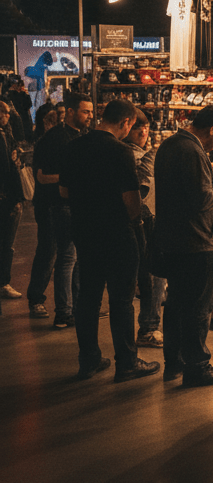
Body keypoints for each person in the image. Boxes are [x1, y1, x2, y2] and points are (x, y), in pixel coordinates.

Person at [59, 99, 159, 381]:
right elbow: (132, 201)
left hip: (84, 231)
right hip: (117, 233)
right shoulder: (120, 152)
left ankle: (88, 359)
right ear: (126, 123)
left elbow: (64, 192)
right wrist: (137, 223)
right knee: (121, 299)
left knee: (88, 297)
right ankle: (126, 362)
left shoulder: (74, 146)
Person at [154, 105, 213, 387]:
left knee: (176, 304)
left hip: (175, 240)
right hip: (196, 242)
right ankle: (197, 366)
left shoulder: (170, 145)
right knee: (198, 309)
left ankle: (174, 362)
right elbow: (202, 198)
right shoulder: (191, 150)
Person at [26, 91, 93, 326]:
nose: (90, 116)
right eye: (86, 111)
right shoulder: (55, 138)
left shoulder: (79, 136)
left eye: (92, 112)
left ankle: (72, 309)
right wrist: (74, 178)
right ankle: (53, 307)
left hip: (69, 205)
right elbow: (43, 177)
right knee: (56, 255)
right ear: (71, 112)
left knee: (70, 258)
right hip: (53, 206)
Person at [124, 107, 164, 348]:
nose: (143, 131)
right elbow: (140, 191)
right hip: (142, 221)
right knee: (153, 274)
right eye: (138, 127)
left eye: (146, 126)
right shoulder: (133, 156)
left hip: (143, 220)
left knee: (149, 276)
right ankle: (148, 327)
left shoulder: (141, 153)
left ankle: (147, 326)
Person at [0, 101, 22, 307]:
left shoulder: (7, 136)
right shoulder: (3, 137)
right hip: (6, 198)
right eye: (7, 113)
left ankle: (3, 282)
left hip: (8, 197)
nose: (8, 116)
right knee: (6, 243)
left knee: (7, 244)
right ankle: (3, 282)